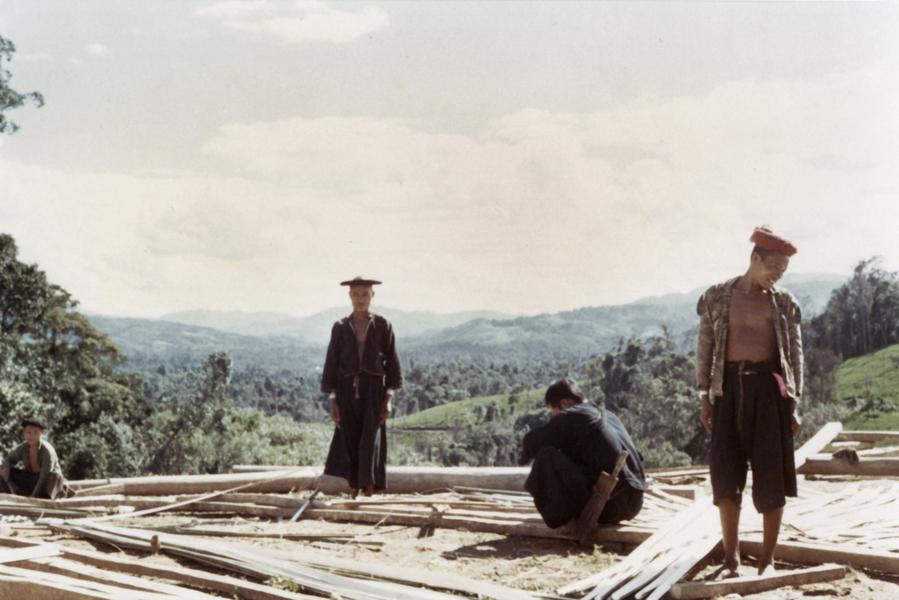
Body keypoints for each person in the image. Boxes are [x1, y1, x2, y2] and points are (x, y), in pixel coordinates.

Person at [696, 225, 803, 576]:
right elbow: (705, 349)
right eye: (774, 267)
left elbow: (795, 356)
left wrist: (794, 404)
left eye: (783, 271)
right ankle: (732, 557)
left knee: (772, 476)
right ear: (755, 258)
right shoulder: (717, 297)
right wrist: (705, 398)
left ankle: (767, 559)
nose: (777, 275)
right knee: (726, 476)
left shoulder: (784, 304)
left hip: (770, 393)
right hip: (727, 390)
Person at [519, 378, 645, 529]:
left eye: (553, 412)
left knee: (545, 455)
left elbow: (533, 442)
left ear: (564, 403)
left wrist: (524, 456)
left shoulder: (573, 415)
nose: (554, 417)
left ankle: (559, 518)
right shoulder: (610, 415)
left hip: (607, 504)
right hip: (634, 503)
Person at [322, 276, 402, 497]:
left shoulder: (383, 325)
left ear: (372, 296)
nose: (360, 299)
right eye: (356, 294)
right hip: (346, 390)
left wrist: (388, 398)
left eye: (365, 294)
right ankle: (354, 489)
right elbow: (332, 362)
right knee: (349, 437)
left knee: (370, 439)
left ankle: (369, 490)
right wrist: (333, 400)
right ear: (349, 296)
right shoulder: (340, 327)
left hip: (373, 390)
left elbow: (392, 362)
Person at [0, 417, 66, 499]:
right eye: (28, 432)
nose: (32, 436)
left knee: (53, 477)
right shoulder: (23, 448)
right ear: (24, 433)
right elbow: (9, 459)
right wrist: (6, 468)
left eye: (36, 433)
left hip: (49, 483)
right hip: (33, 479)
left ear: (41, 433)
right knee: (5, 470)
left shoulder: (47, 451)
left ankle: (44, 496)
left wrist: (33, 496)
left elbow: (44, 477)